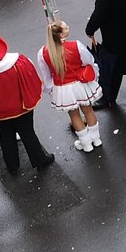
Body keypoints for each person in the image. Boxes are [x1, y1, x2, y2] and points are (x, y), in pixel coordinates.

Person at [0, 28, 55, 176]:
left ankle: (12, 166)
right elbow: (33, 81)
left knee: (5, 136)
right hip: (21, 108)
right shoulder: (18, 61)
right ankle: (40, 160)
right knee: (27, 133)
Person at [37, 21, 103, 153]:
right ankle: (96, 139)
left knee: (74, 116)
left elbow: (46, 76)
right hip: (80, 84)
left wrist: (50, 90)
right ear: (61, 33)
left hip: (63, 89)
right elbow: (89, 61)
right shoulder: (76, 45)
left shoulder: (43, 53)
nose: (68, 27)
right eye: (66, 27)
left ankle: (86, 144)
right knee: (88, 110)